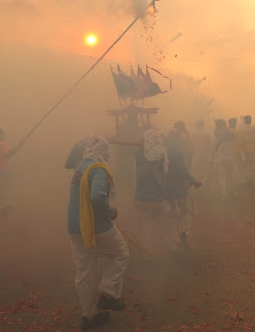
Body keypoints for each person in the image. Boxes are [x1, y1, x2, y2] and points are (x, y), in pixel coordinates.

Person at [67, 137, 129, 330]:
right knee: (120, 252)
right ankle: (108, 293)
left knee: (85, 272)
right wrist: (111, 212)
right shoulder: (98, 169)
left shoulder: (81, 165)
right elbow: (97, 196)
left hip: (75, 226)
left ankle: (89, 316)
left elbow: (67, 162)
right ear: (104, 152)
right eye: (108, 152)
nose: (109, 155)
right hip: (96, 225)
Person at [132, 128, 180, 258]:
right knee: (168, 225)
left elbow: (137, 150)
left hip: (141, 197)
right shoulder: (160, 154)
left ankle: (147, 256)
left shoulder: (138, 153)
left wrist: (143, 144)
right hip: (157, 196)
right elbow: (163, 173)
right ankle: (174, 249)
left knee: (145, 230)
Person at [166, 130, 202, 251]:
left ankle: (172, 241)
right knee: (184, 211)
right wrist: (193, 181)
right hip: (180, 187)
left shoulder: (163, 150)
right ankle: (183, 236)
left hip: (167, 188)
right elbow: (183, 171)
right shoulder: (177, 151)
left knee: (171, 213)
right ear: (178, 139)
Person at [210, 119, 234, 200]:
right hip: (230, 158)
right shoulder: (230, 134)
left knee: (221, 177)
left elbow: (213, 148)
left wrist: (211, 158)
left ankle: (224, 194)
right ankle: (232, 192)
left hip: (220, 159)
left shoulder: (216, 134)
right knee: (229, 177)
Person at [239, 115, 255, 187]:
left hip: (245, 149)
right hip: (253, 149)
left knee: (246, 165)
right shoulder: (254, 128)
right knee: (254, 165)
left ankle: (247, 180)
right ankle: (253, 180)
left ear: (244, 121)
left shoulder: (241, 130)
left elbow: (240, 140)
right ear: (251, 121)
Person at [190, 119, 212, 184]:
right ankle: (203, 184)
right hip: (205, 155)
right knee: (204, 171)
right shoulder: (207, 135)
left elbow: (191, 146)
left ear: (196, 126)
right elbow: (210, 146)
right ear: (203, 125)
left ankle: (197, 184)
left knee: (196, 171)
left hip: (195, 155)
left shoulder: (193, 135)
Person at [228, 117, 244, 187]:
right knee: (237, 166)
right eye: (234, 122)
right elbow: (240, 142)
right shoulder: (237, 131)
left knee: (232, 168)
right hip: (235, 152)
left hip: (230, 153)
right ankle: (237, 181)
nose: (235, 123)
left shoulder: (227, 131)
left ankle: (233, 181)